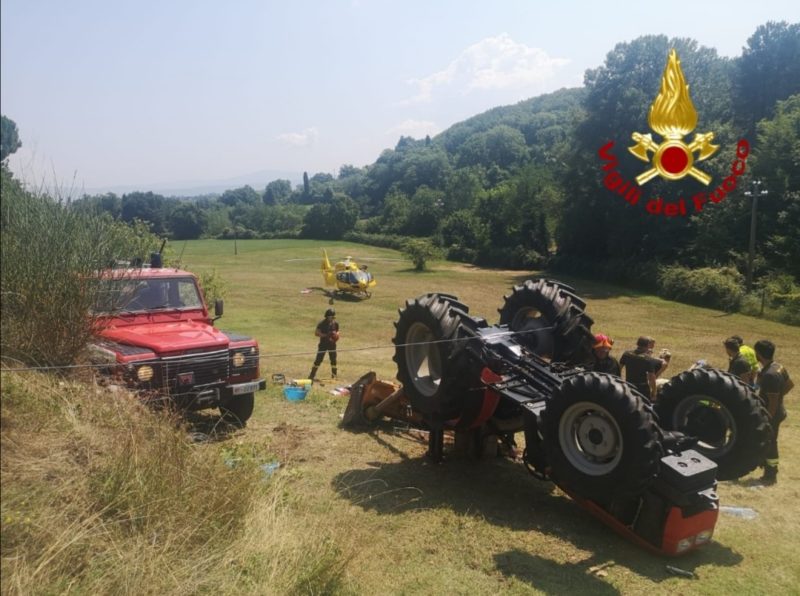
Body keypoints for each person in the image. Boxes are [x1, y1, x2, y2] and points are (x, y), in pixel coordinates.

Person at [754, 339, 793, 485]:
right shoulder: (778, 367)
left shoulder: (769, 375)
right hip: (777, 411)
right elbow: (790, 385)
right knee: (768, 441)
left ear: (759, 354)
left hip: (772, 414)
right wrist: (780, 395)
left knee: (770, 442)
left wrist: (767, 420)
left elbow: (773, 401)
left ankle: (770, 475)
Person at [308, 309, 340, 382]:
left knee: (333, 360)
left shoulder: (335, 323)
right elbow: (316, 333)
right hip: (323, 344)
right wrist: (325, 335)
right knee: (318, 360)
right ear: (327, 316)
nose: (332, 318)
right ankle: (312, 375)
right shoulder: (322, 323)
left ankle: (334, 375)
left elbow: (338, 331)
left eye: (333, 317)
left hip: (332, 345)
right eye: (331, 317)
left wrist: (337, 335)